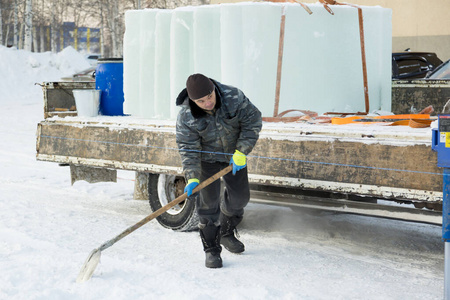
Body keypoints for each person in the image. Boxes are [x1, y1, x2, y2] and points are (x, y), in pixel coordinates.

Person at [175, 73, 262, 268]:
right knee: (208, 206)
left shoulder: (233, 97)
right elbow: (188, 149)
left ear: (214, 89)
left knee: (240, 199)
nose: (207, 103)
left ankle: (225, 231)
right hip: (207, 162)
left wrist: (242, 151)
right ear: (192, 100)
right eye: (201, 101)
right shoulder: (186, 116)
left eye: (209, 97)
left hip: (234, 158)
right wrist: (192, 177)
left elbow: (253, 121)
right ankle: (212, 250)